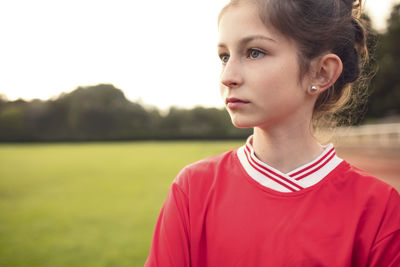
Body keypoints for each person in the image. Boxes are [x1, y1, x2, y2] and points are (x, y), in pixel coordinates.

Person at [145, 0, 400, 266]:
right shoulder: (192, 189)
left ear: (322, 72)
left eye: (254, 52)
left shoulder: (379, 208)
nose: (227, 76)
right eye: (224, 56)